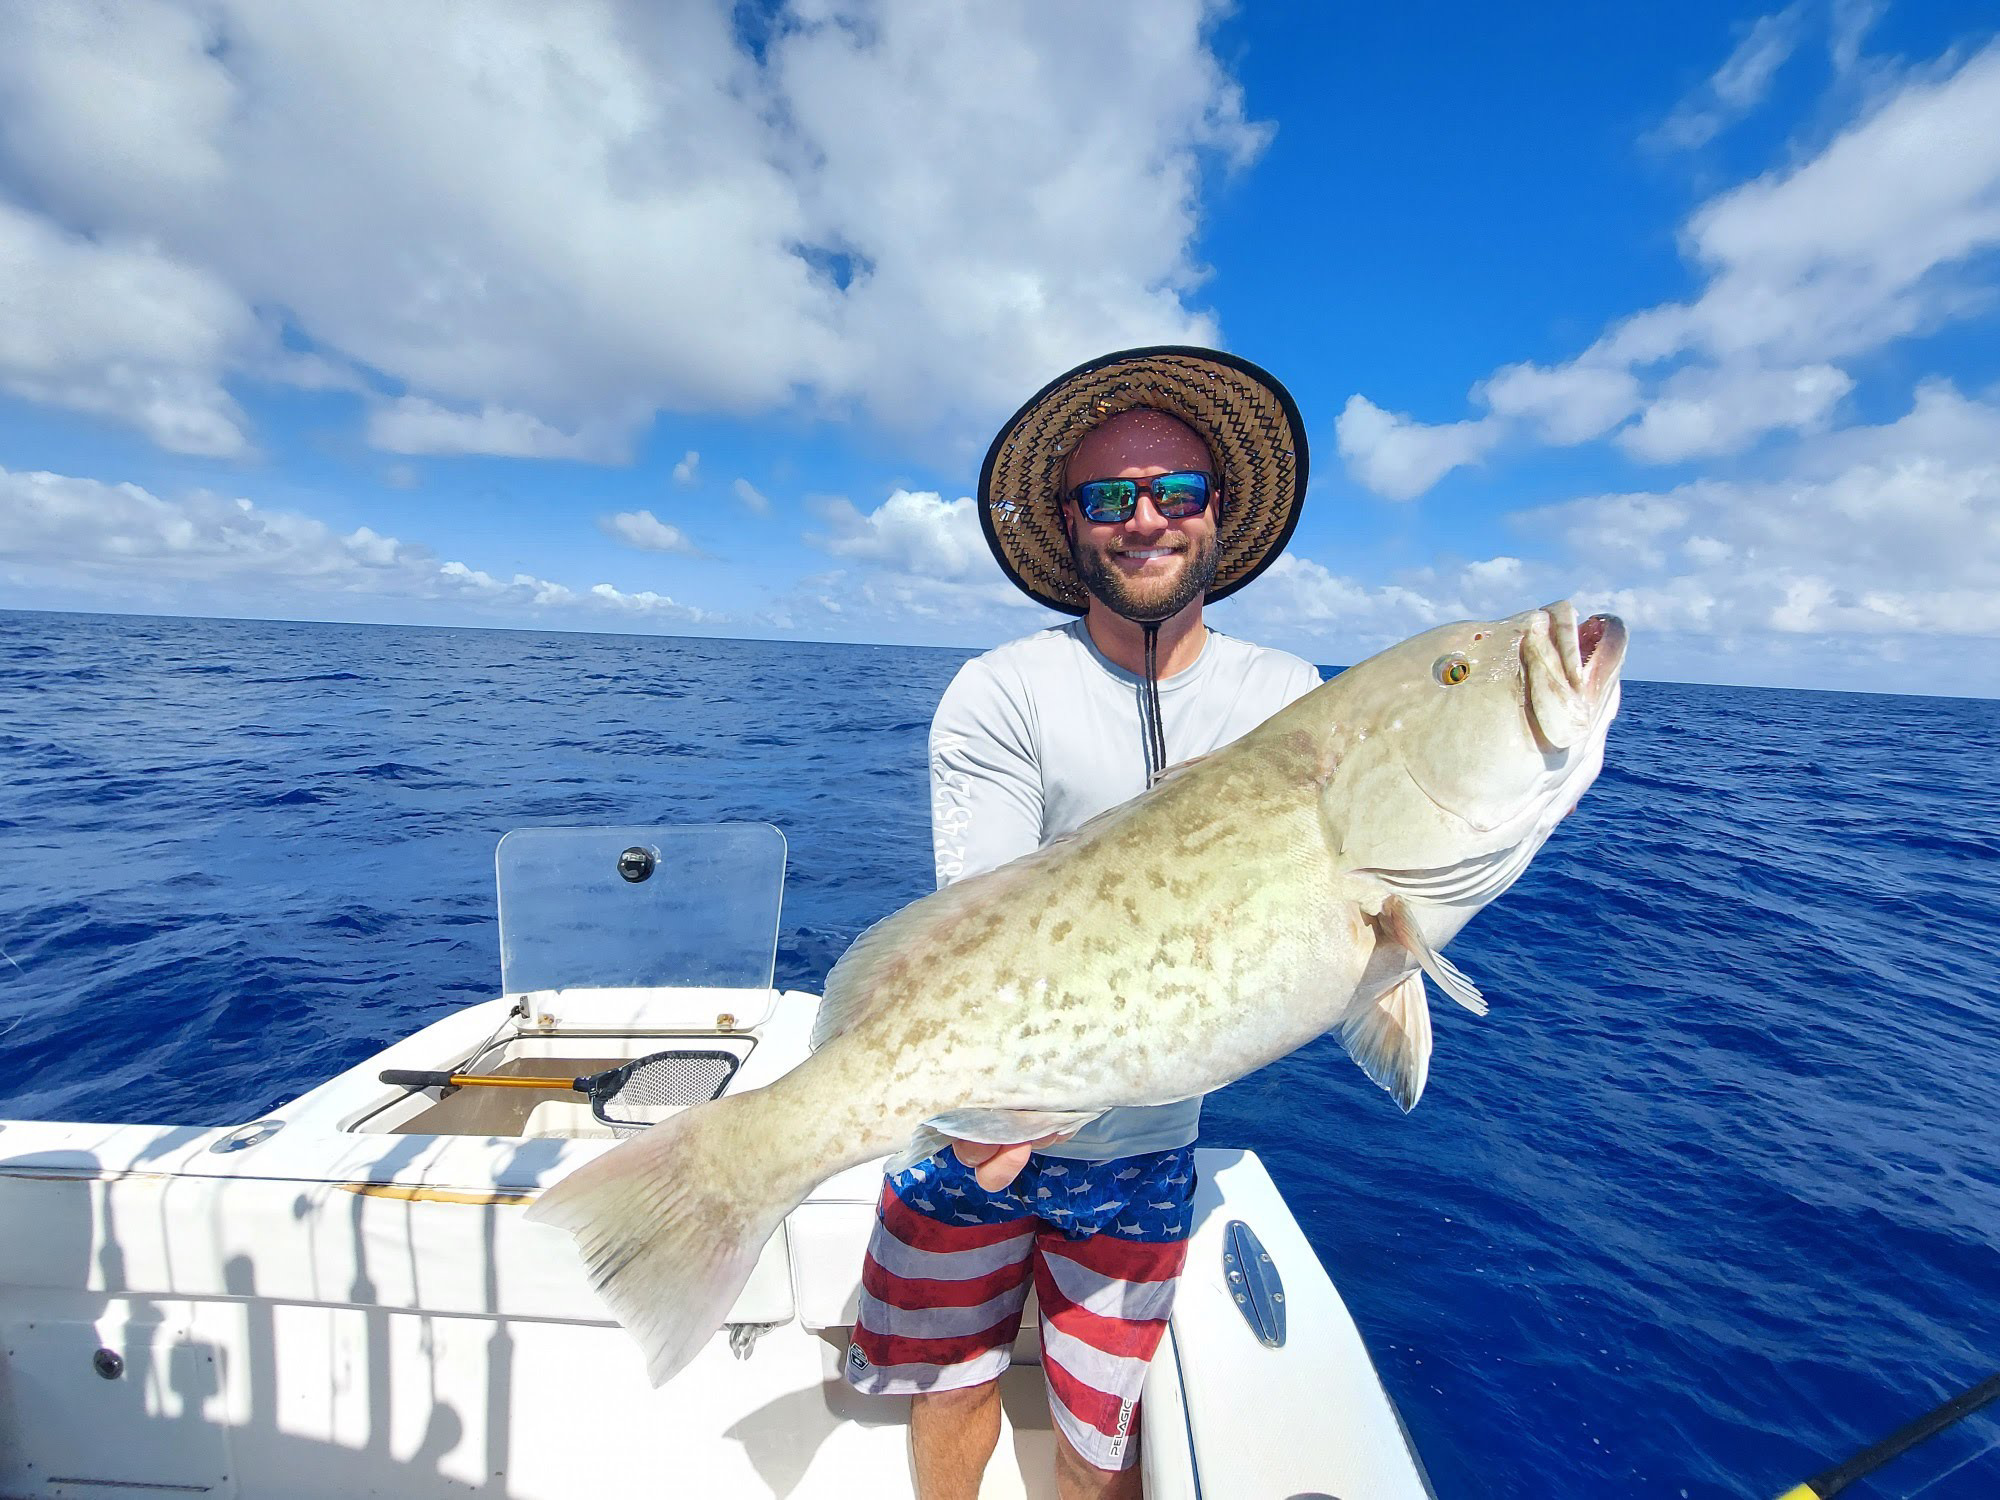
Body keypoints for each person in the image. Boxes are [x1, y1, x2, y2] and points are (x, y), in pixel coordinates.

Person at [844, 346, 1321, 1498]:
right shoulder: (999, 693)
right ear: (1069, 525)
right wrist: (982, 1112)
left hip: (1146, 1149)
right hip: (959, 1123)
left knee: (1103, 1432)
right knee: (949, 1383)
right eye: (1109, 497)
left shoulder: (1285, 701)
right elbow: (986, 919)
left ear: (1219, 514)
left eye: (1176, 492)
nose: (1144, 518)